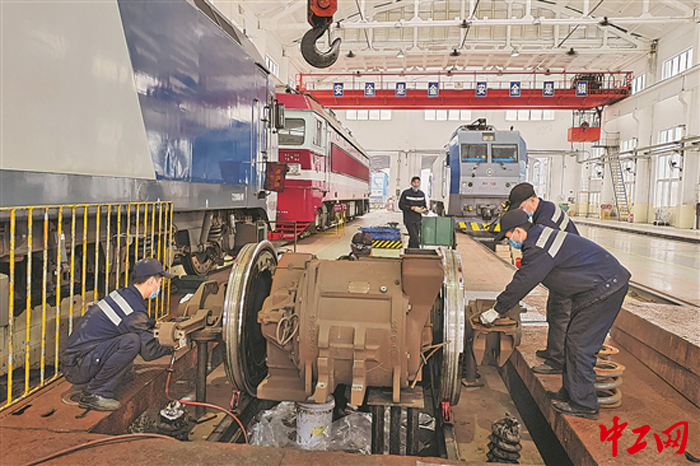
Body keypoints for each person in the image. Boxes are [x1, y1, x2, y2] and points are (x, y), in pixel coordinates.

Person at [479, 209, 630, 419]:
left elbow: (524, 281)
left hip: (605, 288)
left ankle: (584, 404)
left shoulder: (538, 247)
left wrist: (497, 309)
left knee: (580, 345)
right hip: (594, 288)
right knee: (572, 341)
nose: (509, 241)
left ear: (518, 231)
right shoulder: (540, 236)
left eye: (508, 236)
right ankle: (570, 394)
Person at [60, 258, 176, 411]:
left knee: (128, 337)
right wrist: (172, 346)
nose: (160, 286)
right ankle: (95, 393)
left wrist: (153, 324)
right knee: (132, 342)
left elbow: (130, 320)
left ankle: (110, 376)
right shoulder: (134, 311)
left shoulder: (124, 295)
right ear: (151, 281)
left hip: (77, 359)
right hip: (77, 368)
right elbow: (149, 352)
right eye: (160, 282)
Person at [505, 182, 579, 375]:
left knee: (561, 313)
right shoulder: (543, 211)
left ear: (532, 200)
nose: (522, 212)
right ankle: (554, 350)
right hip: (562, 267)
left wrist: (515, 291)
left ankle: (558, 360)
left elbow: (539, 256)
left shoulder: (547, 220)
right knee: (554, 310)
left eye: (522, 207)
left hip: (568, 271)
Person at [399, 176, 427, 248]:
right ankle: (417, 250)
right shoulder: (406, 193)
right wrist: (411, 208)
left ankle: (410, 250)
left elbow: (424, 205)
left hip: (418, 220)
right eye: (415, 182)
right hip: (409, 219)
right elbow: (401, 205)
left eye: (418, 182)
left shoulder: (421, 194)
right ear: (411, 183)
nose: (416, 184)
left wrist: (423, 210)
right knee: (414, 237)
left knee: (414, 236)